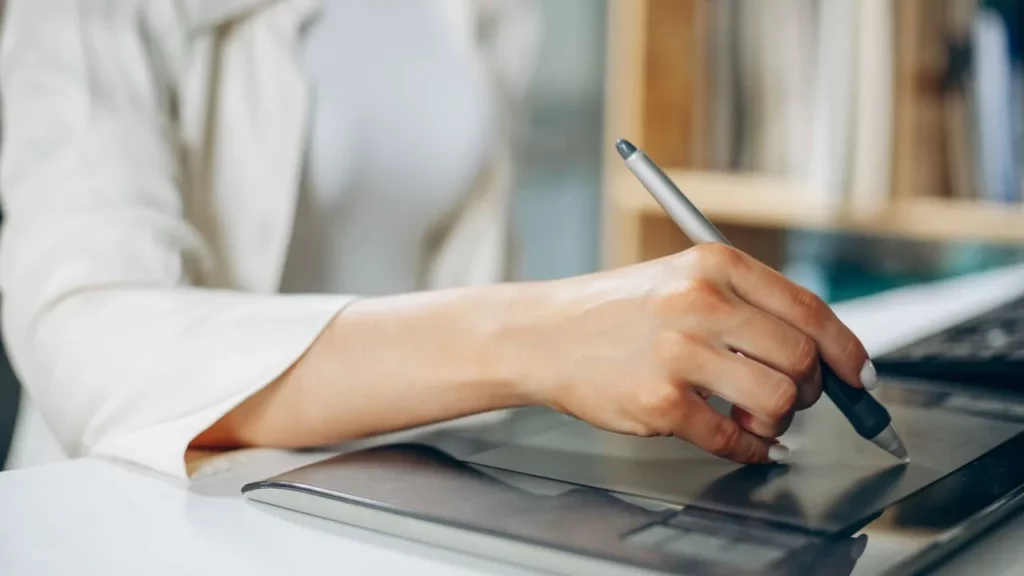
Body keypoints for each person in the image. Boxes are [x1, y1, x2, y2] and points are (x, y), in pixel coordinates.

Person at [0, 0, 875, 479]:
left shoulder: (484, 16)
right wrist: (541, 336)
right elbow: (84, 331)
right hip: (151, 517)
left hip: (382, 499)